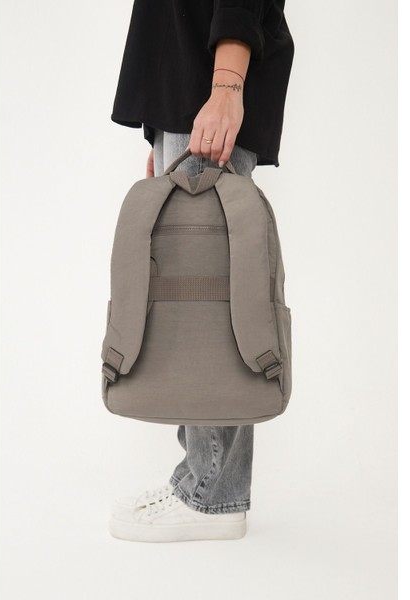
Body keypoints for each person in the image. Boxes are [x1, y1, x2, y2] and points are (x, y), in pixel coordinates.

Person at [108, 0, 294, 543]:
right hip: (189, 85)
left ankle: (213, 497)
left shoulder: (217, 85)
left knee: (210, 300)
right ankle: (200, 480)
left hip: (208, 80)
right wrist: (161, 131)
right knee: (198, 297)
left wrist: (226, 86)